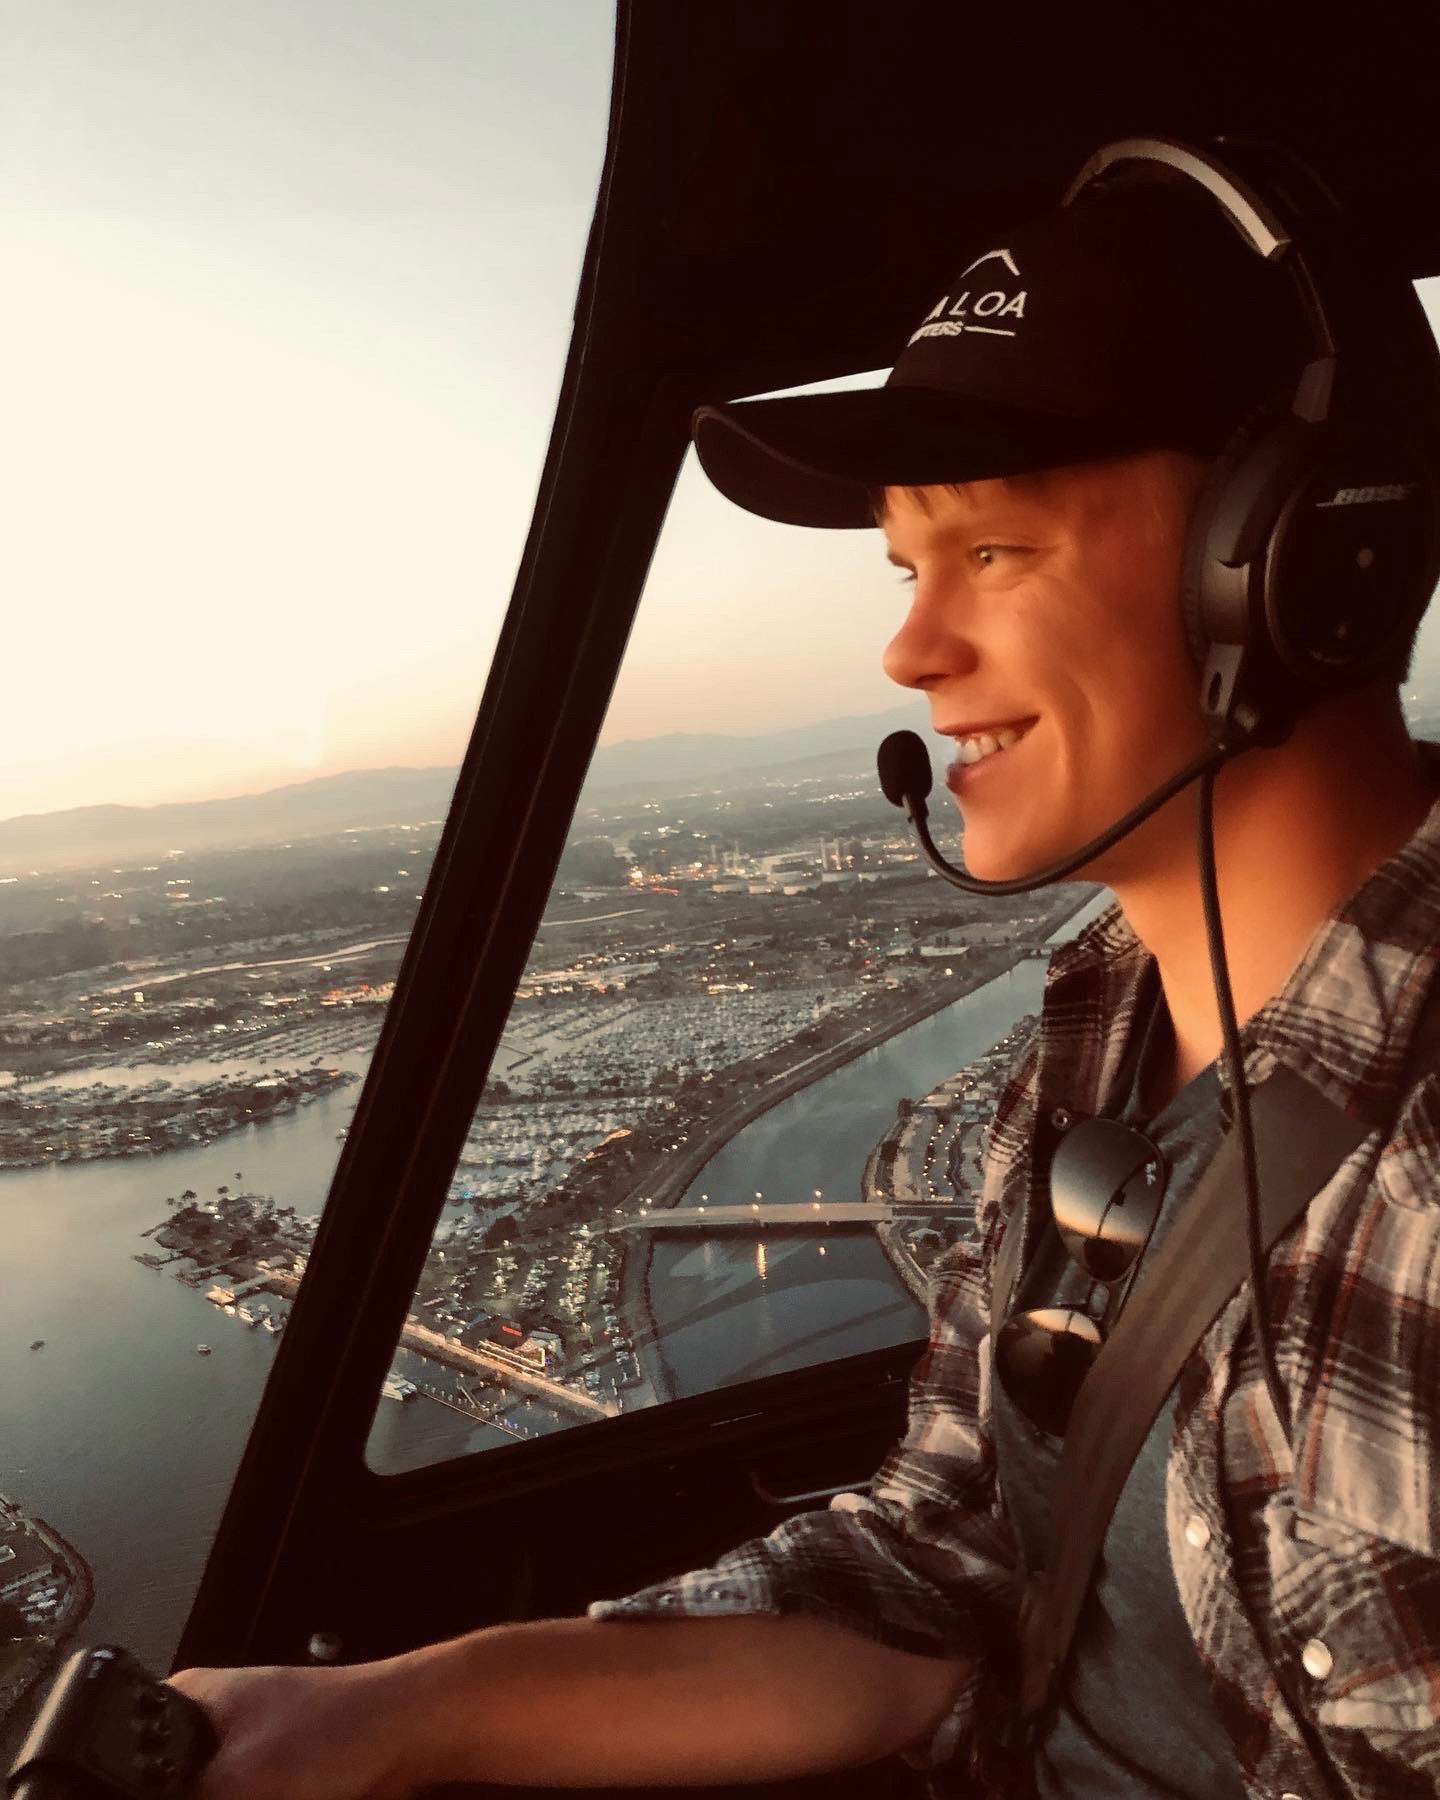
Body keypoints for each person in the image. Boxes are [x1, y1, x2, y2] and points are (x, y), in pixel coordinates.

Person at [169, 149, 1440, 1798]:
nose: (909, 650)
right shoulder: (1097, 1019)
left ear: (1290, 562)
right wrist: (397, 1712)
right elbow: (946, 1560)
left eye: (995, 551)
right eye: (908, 568)